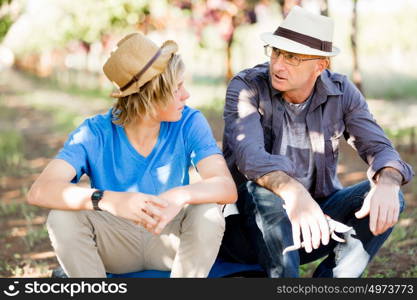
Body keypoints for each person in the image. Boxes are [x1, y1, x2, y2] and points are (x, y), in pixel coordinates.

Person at [219, 6, 414, 277]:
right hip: (248, 231)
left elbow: (380, 148)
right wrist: (295, 192)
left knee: (389, 194)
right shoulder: (247, 86)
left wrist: (388, 182)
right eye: (275, 51)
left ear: (320, 65)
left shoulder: (342, 93)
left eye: (292, 57)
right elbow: (250, 157)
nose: (278, 64)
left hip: (314, 224)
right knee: (263, 192)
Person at [27, 32, 237, 278]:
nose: (186, 95)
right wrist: (109, 200)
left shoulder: (189, 122)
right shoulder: (94, 132)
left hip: (169, 240)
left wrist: (179, 195)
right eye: (177, 87)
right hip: (116, 244)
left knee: (208, 212)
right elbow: (40, 191)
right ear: (151, 94)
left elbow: (225, 187)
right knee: (61, 217)